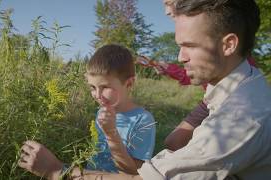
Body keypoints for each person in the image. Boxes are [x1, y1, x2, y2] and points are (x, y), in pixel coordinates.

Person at [18, 0, 271, 179]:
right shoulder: (245, 82)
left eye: (190, 45)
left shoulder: (240, 119)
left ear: (228, 45)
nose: (180, 57)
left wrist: (57, 172)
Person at [137, 0, 258, 152]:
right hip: (209, 100)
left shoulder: (241, 83)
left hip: (230, 99)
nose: (166, 11)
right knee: (173, 142)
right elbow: (195, 73)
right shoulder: (197, 32)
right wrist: (169, 69)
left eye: (169, 3)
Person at [19, 44, 156, 177]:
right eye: (92, 87)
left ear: (129, 83)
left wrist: (111, 133)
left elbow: (134, 174)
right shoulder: (101, 112)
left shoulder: (143, 120)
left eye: (105, 87)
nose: (97, 95)